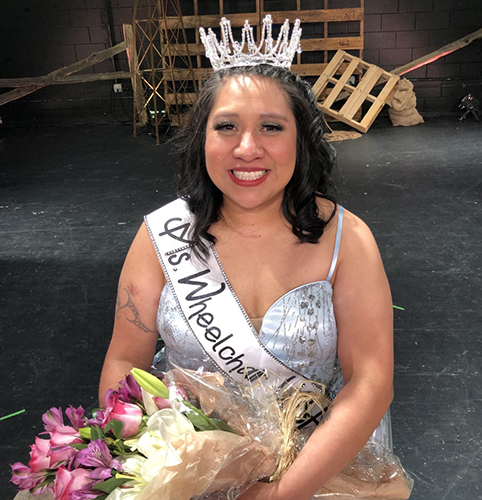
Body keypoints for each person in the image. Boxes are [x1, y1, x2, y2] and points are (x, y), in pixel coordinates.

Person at [99, 20, 394, 500]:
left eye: (271, 127)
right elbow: (123, 362)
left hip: (321, 470)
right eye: (227, 126)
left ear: (301, 139)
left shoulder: (349, 239)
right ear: (204, 139)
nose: (247, 148)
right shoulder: (159, 237)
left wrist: (280, 494)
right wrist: (161, 458)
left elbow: (371, 381)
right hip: (191, 475)